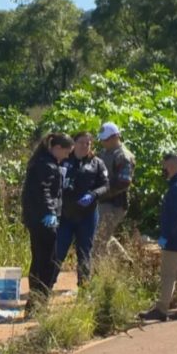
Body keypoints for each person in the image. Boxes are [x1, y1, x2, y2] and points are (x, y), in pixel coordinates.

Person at [139, 153, 177, 321]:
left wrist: (166, 236)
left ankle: (161, 309)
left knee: (168, 274)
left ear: (171, 167)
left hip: (176, 241)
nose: (162, 169)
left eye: (164, 166)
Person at [21, 133, 74, 315]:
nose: (67, 156)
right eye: (66, 152)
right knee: (47, 263)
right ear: (57, 148)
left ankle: (35, 303)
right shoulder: (47, 165)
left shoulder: (41, 161)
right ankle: (38, 302)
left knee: (39, 261)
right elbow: (43, 191)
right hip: (44, 220)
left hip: (36, 219)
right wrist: (50, 211)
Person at [56, 131, 109, 287]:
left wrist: (93, 195)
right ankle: (47, 285)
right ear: (74, 143)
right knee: (58, 250)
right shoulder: (64, 159)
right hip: (66, 214)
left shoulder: (97, 163)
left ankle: (84, 288)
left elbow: (105, 185)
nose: (85, 146)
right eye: (81, 142)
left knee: (84, 252)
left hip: (87, 215)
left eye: (88, 143)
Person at [94, 122, 136, 259]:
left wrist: (101, 192)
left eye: (105, 139)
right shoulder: (106, 152)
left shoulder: (123, 156)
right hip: (104, 201)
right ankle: (125, 261)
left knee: (98, 241)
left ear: (116, 137)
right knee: (104, 235)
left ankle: (98, 273)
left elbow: (123, 182)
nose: (102, 142)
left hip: (114, 203)